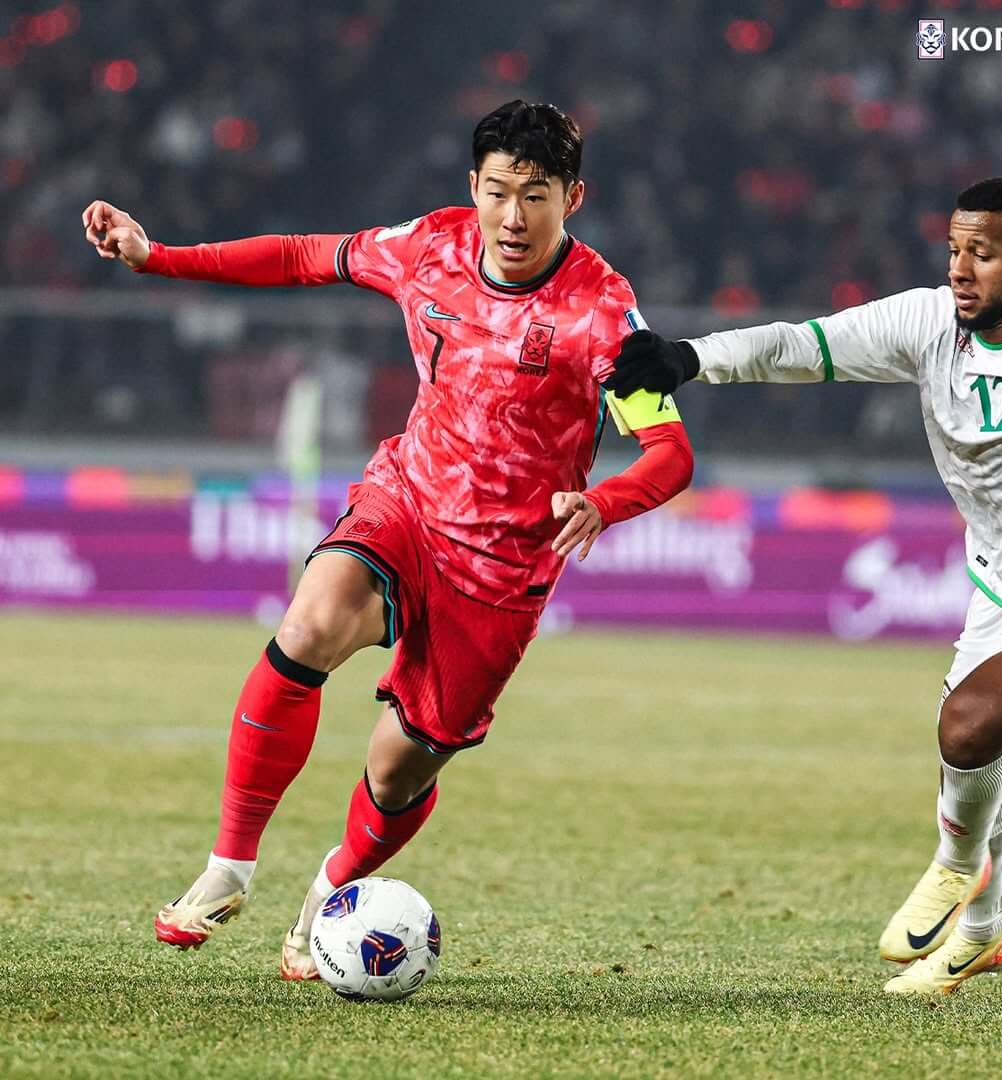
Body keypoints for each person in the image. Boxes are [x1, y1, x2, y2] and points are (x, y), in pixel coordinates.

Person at [84, 100, 693, 979]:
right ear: (471, 189)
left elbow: (671, 455)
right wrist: (159, 256)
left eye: (536, 195)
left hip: (502, 566)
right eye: (497, 192)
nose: (513, 217)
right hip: (407, 499)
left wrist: (607, 500)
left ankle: (327, 893)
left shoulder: (602, 312)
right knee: (311, 625)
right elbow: (302, 257)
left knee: (400, 770)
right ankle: (227, 866)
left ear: (574, 198)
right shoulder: (431, 246)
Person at [605, 176, 1002, 995]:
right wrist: (690, 358)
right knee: (976, 765)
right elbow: (801, 345)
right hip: (1001, 587)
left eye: (985, 253)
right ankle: (985, 927)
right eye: (956, 248)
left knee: (967, 727)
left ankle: (952, 870)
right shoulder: (930, 324)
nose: (962, 268)